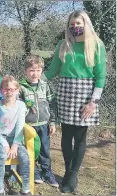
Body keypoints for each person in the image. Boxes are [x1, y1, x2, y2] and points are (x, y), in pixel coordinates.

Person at [42, 10, 106, 193]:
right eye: (72, 24)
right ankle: (71, 173)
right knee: (65, 137)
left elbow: (101, 77)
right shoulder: (63, 44)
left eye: (78, 23)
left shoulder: (96, 45)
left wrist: (93, 102)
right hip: (65, 93)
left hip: (86, 97)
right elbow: (53, 70)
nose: (75, 27)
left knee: (79, 138)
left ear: (86, 24)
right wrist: (33, 82)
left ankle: (71, 175)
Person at [19, 55, 59, 187]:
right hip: (28, 127)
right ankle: (34, 172)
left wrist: (52, 122)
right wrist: (27, 105)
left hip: (43, 125)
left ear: (41, 71)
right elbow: (18, 106)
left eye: (37, 70)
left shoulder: (45, 86)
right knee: (31, 150)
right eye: (31, 70)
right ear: (25, 71)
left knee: (45, 150)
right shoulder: (21, 87)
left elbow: (52, 104)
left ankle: (47, 173)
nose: (34, 73)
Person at [0, 75, 31, 195]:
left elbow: (20, 126)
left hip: (15, 139)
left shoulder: (21, 106)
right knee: (1, 157)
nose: (9, 92)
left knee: (25, 157)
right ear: (1, 91)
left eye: (12, 89)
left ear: (17, 91)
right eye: (6, 89)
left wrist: (15, 145)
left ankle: (26, 189)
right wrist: (4, 144)